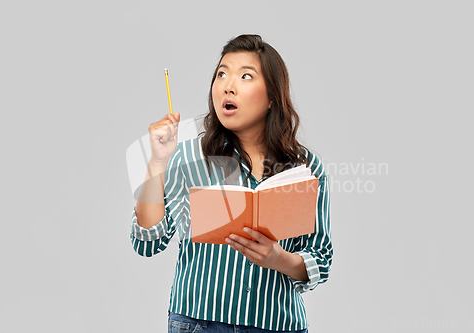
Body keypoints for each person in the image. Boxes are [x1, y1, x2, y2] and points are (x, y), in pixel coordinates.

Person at [130, 34, 332, 332]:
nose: (228, 85)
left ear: (272, 97)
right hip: (199, 323)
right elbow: (147, 241)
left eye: (245, 76)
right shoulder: (188, 157)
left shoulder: (305, 168)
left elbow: (321, 258)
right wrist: (158, 161)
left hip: (275, 325)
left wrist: (279, 259)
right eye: (221, 74)